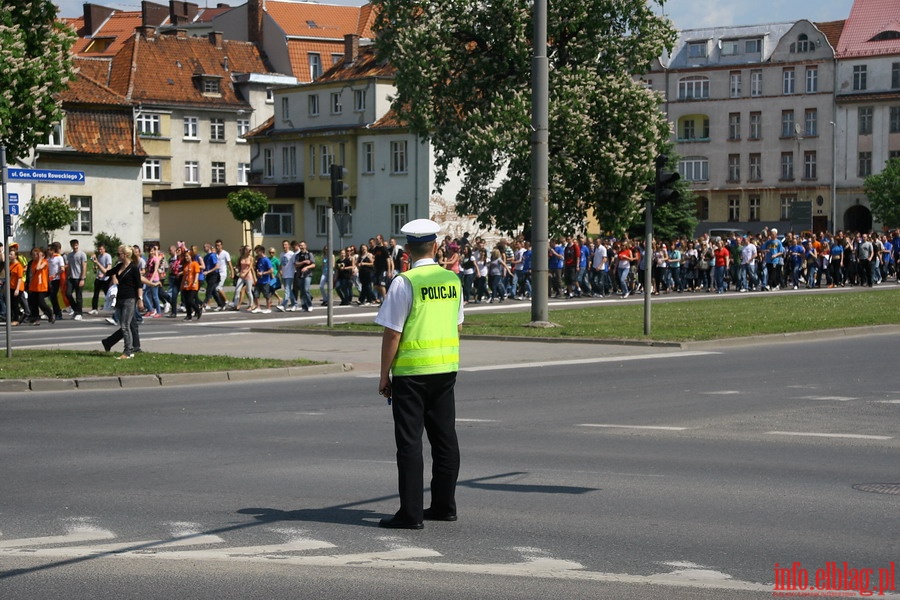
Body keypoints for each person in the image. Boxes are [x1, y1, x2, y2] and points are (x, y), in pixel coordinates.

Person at [375, 218, 464, 530]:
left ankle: (410, 513)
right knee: (445, 440)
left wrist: (384, 374)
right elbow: (458, 324)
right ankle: (443, 506)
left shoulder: (405, 282)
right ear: (436, 246)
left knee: (410, 443)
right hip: (445, 369)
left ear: (407, 250)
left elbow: (392, 333)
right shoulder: (453, 280)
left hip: (412, 373)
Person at [101, 245, 159, 359]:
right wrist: (97, 263)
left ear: (126, 254)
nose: (117, 256)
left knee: (125, 326)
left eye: (119, 254)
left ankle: (128, 351)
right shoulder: (119, 266)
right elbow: (107, 273)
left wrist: (140, 300)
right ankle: (127, 347)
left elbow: (139, 285)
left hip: (130, 299)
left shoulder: (133, 268)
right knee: (127, 325)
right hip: (120, 298)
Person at [65, 239, 88, 320]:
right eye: (73, 245)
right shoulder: (70, 255)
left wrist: (82, 278)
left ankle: (79, 313)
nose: (75, 246)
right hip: (71, 277)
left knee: (78, 296)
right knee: (68, 293)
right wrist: (66, 277)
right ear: (71, 245)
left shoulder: (82, 254)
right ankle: (76, 309)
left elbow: (84, 266)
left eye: (76, 244)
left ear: (78, 245)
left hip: (79, 278)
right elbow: (69, 267)